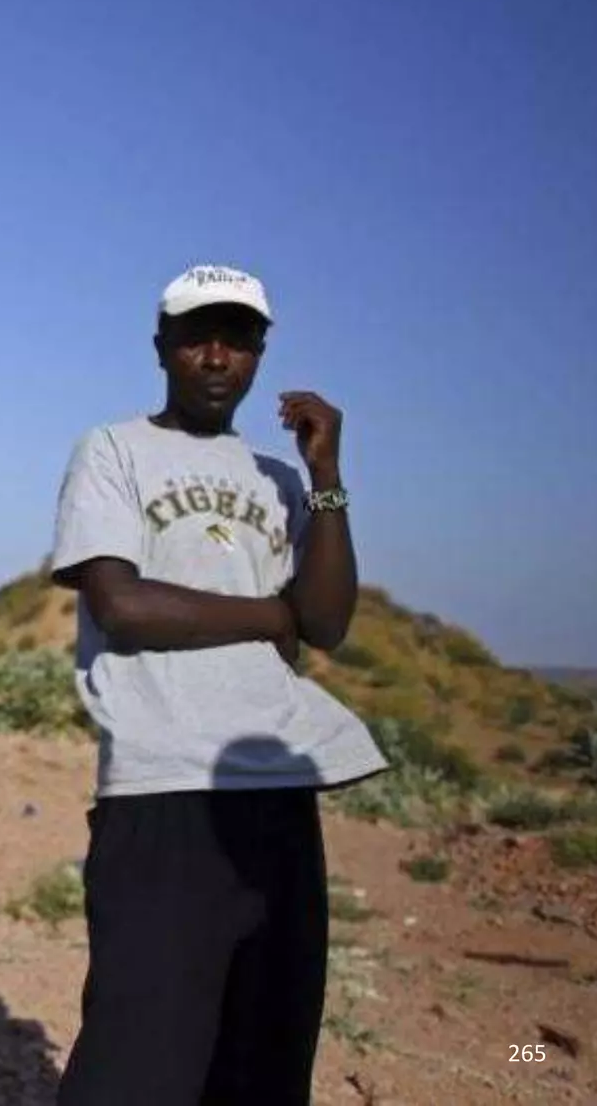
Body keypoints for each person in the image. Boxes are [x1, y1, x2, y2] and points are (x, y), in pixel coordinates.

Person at [48, 265, 389, 1105]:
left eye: (237, 340)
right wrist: (271, 618)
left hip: (278, 791)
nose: (216, 357)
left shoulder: (279, 481)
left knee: (263, 1064)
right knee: (137, 1067)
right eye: (198, 336)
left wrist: (326, 476)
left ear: (259, 356)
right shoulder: (114, 450)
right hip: (164, 788)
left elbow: (329, 621)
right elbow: (122, 604)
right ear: (162, 346)